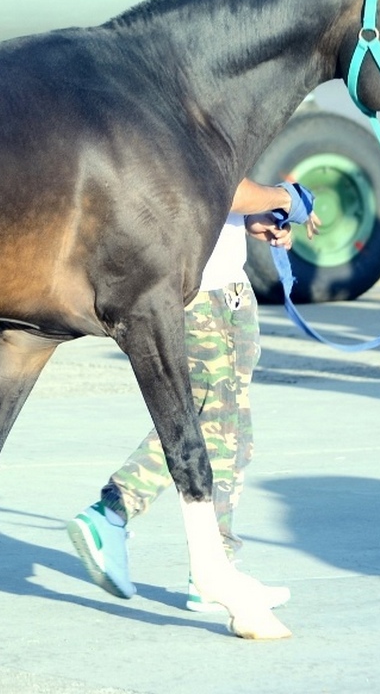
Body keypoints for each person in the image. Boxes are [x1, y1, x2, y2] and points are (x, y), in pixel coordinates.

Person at [67, 178, 315, 610]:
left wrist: (249, 219)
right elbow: (222, 182)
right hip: (207, 294)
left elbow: (214, 196)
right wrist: (284, 198)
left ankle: (210, 567)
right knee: (213, 427)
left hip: (215, 286)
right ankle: (116, 513)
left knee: (223, 432)